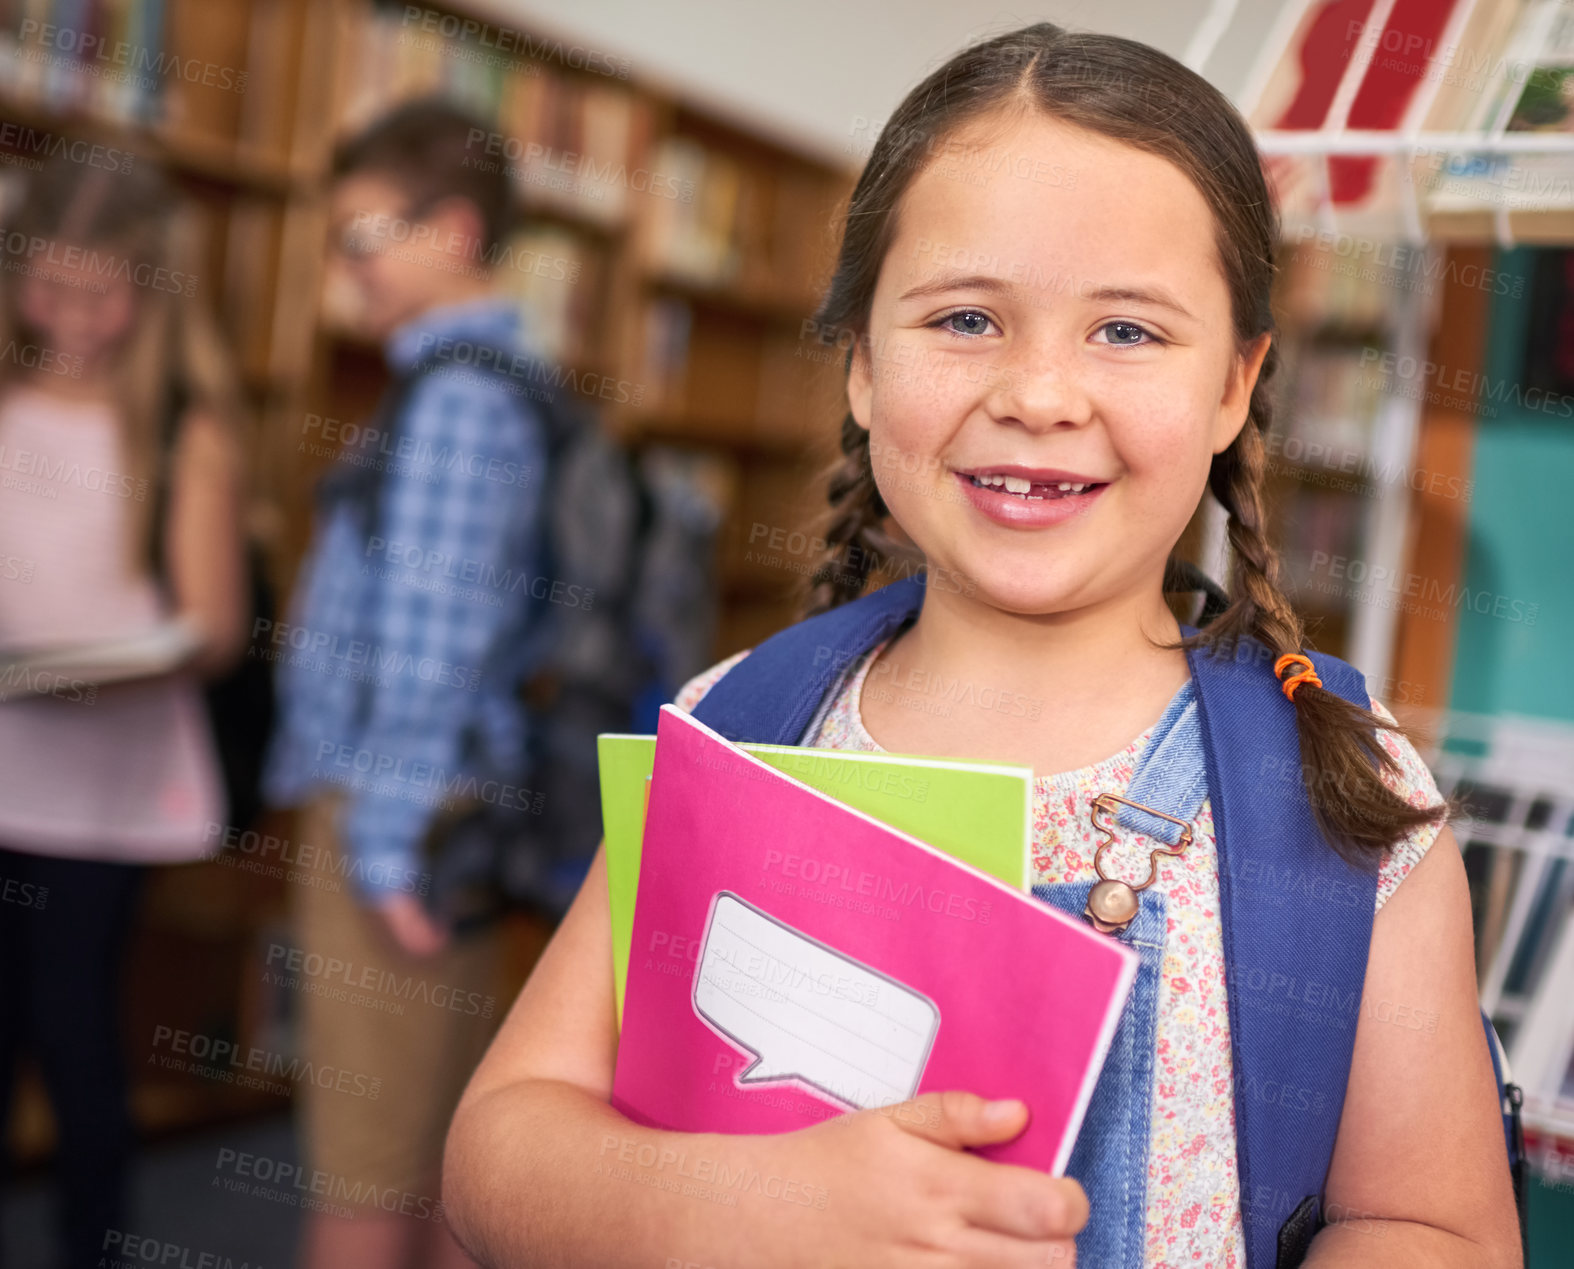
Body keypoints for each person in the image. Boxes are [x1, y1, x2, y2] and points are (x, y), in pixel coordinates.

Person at [440, 23, 1525, 1269]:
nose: (1038, 393)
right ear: (859, 363)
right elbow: (495, 1152)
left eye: (1126, 331)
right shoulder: (743, 721)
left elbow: (1429, 1225)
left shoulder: (1338, 788)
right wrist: (743, 1206)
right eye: (964, 318)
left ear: (1234, 384)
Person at [261, 98, 554, 1269]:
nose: (348, 268)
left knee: (365, 1172)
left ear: (454, 231)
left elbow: (431, 645)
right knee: (436, 1159)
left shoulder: (454, 400)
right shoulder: (494, 385)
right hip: (449, 817)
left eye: (365, 236)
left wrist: (381, 851)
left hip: (398, 824)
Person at [0, 157, 246, 1269]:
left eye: (104, 294)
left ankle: (89, 1247)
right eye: (50, 288)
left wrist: (89, 672)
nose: (76, 320)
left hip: (104, 789)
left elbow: (212, 628)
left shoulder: (183, 431)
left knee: (74, 1031)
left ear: (152, 293)